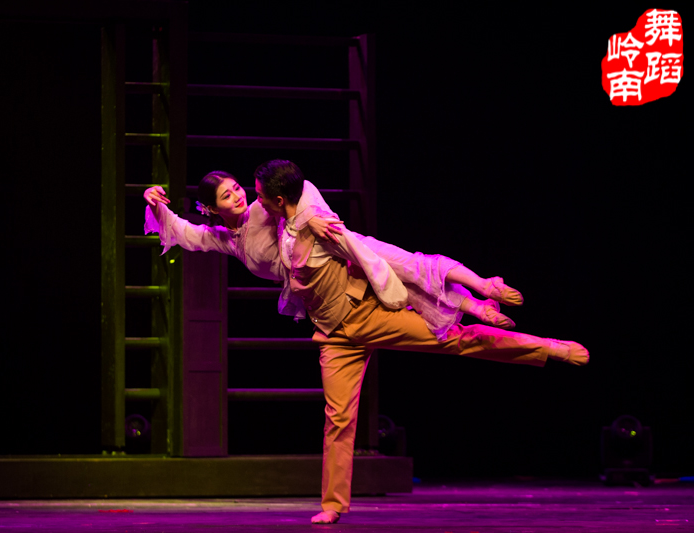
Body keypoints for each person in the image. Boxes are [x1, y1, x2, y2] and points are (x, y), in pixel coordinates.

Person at [250, 159, 589, 525]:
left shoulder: (323, 225)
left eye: (260, 196)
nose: (257, 202)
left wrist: (313, 223)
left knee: (455, 338)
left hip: (369, 314)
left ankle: (545, 346)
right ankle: (333, 504)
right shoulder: (286, 221)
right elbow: (251, 223)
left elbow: (373, 255)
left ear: (280, 199)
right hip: (334, 336)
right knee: (338, 419)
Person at [144, 171, 523, 340]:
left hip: (337, 247)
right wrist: (155, 202)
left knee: (408, 264)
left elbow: (301, 188)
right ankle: (477, 310)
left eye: (237, 188)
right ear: (212, 209)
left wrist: (314, 219)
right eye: (227, 196)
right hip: (327, 282)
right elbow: (184, 233)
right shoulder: (224, 239)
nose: (238, 196)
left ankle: (483, 288)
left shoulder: (262, 206)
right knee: (405, 291)